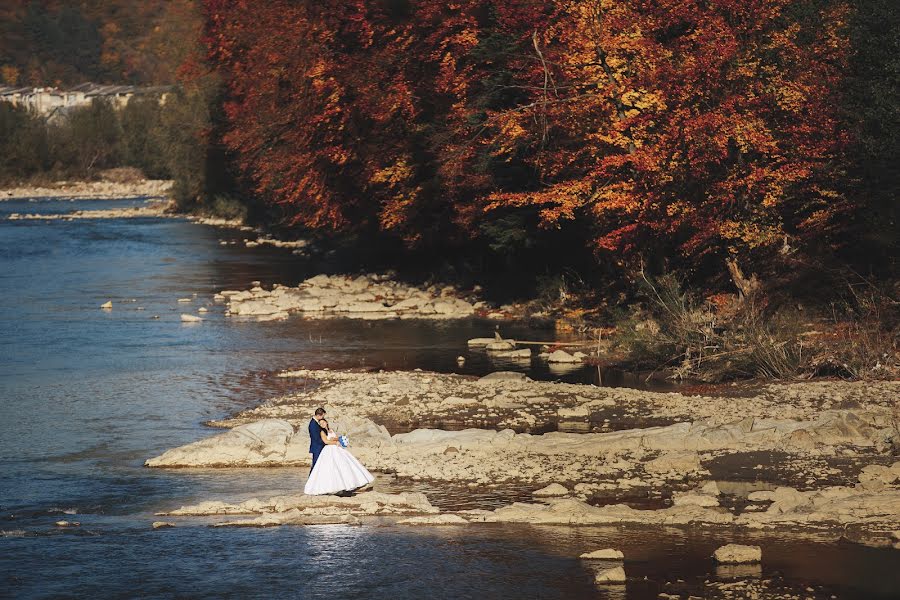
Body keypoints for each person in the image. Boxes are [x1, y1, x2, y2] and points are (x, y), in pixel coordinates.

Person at [304, 417, 374, 495]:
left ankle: (349, 484)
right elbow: (326, 441)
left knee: (344, 465)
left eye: (323, 422)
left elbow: (336, 438)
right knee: (332, 468)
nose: (322, 424)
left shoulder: (331, 430)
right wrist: (335, 442)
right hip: (329, 450)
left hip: (337, 448)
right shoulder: (322, 432)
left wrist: (340, 440)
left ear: (326, 422)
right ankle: (334, 487)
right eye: (320, 424)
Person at [308, 407, 327, 473]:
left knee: (318, 465)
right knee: (315, 465)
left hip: (319, 447)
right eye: (322, 416)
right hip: (317, 447)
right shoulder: (313, 424)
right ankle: (311, 481)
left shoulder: (316, 423)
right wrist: (326, 442)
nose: (323, 418)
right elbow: (316, 438)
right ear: (318, 415)